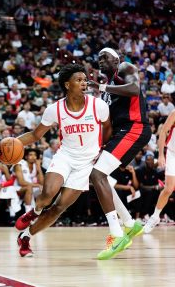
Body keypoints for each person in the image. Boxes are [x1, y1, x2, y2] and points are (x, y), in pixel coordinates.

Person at [14, 63, 131, 258]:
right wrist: (9, 143)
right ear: (67, 85)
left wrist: (101, 150)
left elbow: (108, 128)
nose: (84, 83)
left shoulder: (98, 105)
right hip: (65, 157)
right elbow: (35, 135)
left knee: (58, 209)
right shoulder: (55, 109)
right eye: (79, 80)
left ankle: (25, 236)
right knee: (48, 193)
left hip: (87, 163)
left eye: (85, 80)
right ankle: (34, 212)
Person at [87, 47, 151, 259]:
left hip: (135, 128)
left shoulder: (125, 68)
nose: (101, 61)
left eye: (105, 57)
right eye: (98, 58)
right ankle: (130, 224)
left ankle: (117, 234)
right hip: (121, 133)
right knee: (98, 176)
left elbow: (134, 89)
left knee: (97, 175)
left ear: (116, 59)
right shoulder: (105, 91)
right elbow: (109, 123)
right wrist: (102, 146)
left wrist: (101, 86)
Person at [144, 110, 175, 233]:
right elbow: (162, 132)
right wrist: (161, 155)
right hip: (173, 153)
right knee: (168, 189)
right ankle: (155, 217)